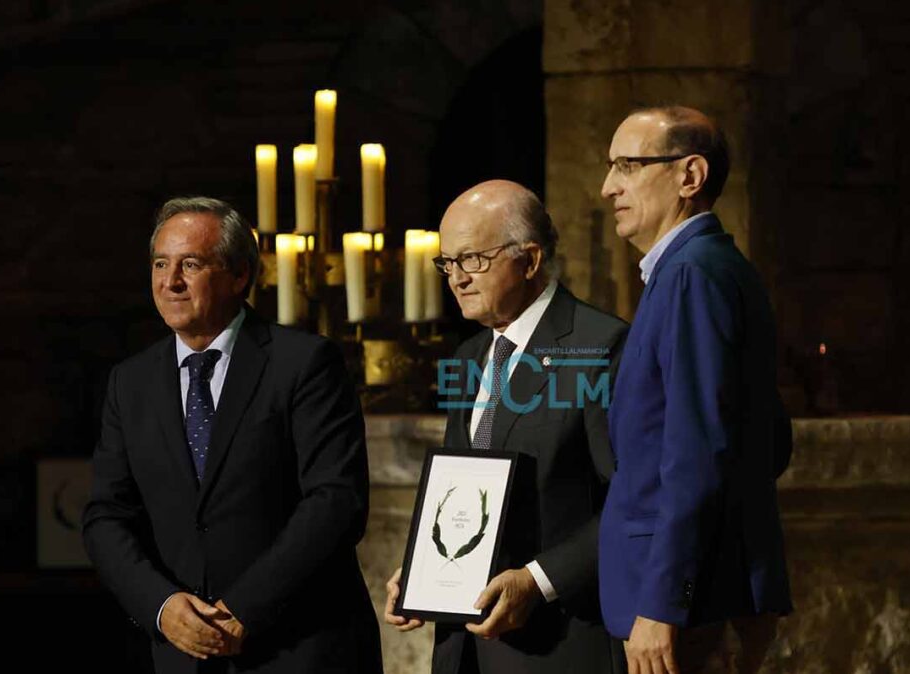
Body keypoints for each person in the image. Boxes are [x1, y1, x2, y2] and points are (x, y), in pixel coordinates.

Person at [83, 196, 381, 673]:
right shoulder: (130, 382)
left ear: (240, 275)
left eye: (190, 264)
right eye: (160, 264)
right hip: (182, 651)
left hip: (300, 648)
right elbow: (106, 515)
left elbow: (336, 501)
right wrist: (161, 606)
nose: (170, 281)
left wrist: (243, 608)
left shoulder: (304, 363)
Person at [384, 180, 628, 674]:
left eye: (472, 259)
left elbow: (634, 500)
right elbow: (459, 491)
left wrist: (538, 580)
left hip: (559, 644)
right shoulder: (469, 356)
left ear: (530, 260)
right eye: (447, 263)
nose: (456, 279)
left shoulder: (601, 347)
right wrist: (422, 570)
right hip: (465, 648)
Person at [597, 107, 794, 674]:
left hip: (690, 606)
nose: (608, 187)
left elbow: (697, 452)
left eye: (628, 166)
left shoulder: (692, 275)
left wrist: (664, 604)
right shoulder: (706, 267)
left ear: (690, 176)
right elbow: (771, 439)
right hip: (703, 595)